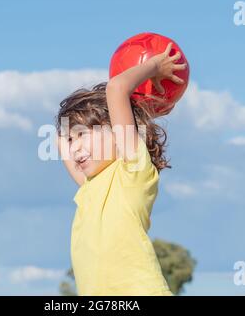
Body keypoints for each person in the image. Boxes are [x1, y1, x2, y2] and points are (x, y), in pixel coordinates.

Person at [55, 43, 186, 295]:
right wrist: (72, 124)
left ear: (116, 131)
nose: (73, 148)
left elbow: (117, 88)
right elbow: (58, 137)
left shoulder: (133, 172)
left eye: (81, 135)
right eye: (71, 140)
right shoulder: (89, 186)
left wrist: (155, 66)